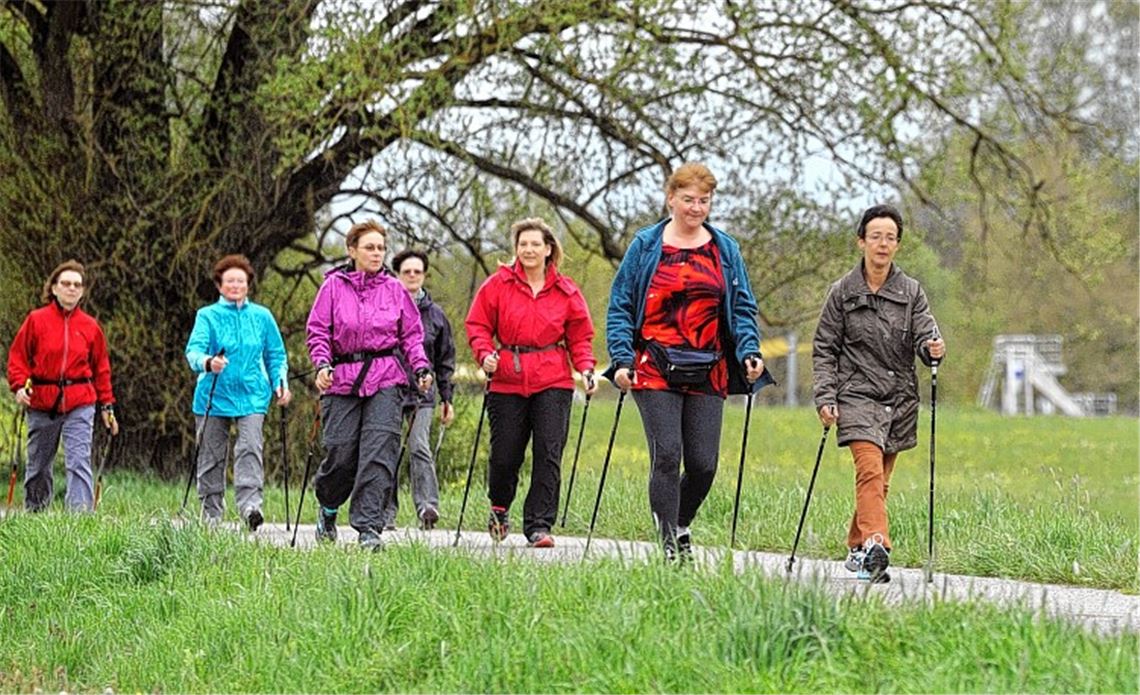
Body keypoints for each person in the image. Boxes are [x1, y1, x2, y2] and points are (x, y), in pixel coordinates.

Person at [605, 162, 771, 562]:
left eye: (704, 201)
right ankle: (668, 547)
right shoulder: (647, 245)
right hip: (653, 365)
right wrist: (622, 358)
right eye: (688, 199)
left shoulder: (724, 249)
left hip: (709, 366)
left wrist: (749, 351)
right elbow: (621, 304)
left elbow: (742, 307)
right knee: (666, 455)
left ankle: (680, 523)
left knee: (703, 464)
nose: (696, 208)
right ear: (671, 199)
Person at [812, 204, 945, 583]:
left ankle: (857, 549)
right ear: (861, 242)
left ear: (897, 245)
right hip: (856, 395)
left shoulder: (911, 292)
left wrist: (932, 348)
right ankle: (877, 544)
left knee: (879, 482)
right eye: (876, 237)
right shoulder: (842, 292)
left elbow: (926, 334)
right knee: (869, 471)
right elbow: (824, 348)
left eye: (890, 237)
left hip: (899, 399)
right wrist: (825, 396)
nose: (883, 244)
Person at [465, 217, 597, 548]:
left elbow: (580, 336)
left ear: (548, 249)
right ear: (516, 249)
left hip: (553, 378)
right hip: (507, 378)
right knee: (505, 454)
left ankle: (539, 524)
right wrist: (485, 354)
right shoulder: (497, 285)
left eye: (535, 244)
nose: (528, 249)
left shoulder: (566, 291)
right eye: (523, 244)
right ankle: (499, 507)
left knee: (549, 452)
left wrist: (586, 369)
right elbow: (477, 325)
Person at [306, 219, 434, 549]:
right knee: (342, 453)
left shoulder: (394, 289)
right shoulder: (332, 287)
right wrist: (322, 363)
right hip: (342, 378)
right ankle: (328, 508)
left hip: (386, 376)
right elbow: (318, 331)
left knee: (379, 452)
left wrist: (420, 367)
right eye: (369, 248)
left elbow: (412, 336)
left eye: (381, 248)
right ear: (352, 251)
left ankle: (369, 527)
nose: (377, 253)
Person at [184, 254, 292, 530]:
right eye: (229, 281)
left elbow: (276, 355)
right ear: (219, 285)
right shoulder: (207, 316)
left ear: (248, 284)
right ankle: (211, 513)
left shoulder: (262, 316)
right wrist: (208, 362)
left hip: (252, 394)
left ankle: (250, 507)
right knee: (211, 455)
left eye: (240, 281)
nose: (235, 286)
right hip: (213, 395)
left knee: (250, 447)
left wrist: (280, 382)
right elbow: (193, 351)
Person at [7, 260, 118, 511]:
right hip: (42, 401)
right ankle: (36, 515)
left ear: (83, 291)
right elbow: (18, 358)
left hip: (80, 401)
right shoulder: (36, 320)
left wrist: (107, 405)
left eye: (77, 285)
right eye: (66, 283)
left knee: (78, 461)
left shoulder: (91, 327)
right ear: (54, 288)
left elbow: (101, 368)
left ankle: (79, 519)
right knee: (38, 466)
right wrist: (19, 386)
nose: (71, 289)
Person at [381, 249, 456, 531]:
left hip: (422, 395)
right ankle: (384, 513)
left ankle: (427, 506)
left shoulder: (436, 316)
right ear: (397, 275)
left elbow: (445, 359)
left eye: (417, 271)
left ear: (424, 275)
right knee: (386, 449)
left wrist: (447, 398)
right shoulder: (385, 308)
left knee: (419, 446)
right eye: (406, 272)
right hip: (388, 390)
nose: (412, 276)